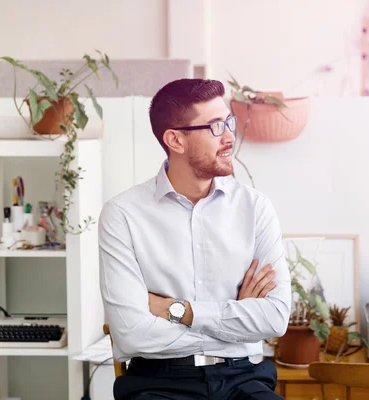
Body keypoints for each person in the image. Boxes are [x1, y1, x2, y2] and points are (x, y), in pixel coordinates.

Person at [98, 78, 291, 400]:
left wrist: (177, 310)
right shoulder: (122, 214)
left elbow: (274, 318)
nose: (230, 136)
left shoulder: (255, 207)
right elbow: (131, 335)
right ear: (175, 140)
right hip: (159, 383)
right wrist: (234, 319)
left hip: (243, 379)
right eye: (216, 126)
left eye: (229, 122)